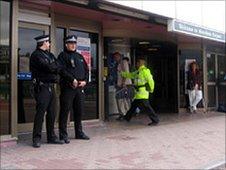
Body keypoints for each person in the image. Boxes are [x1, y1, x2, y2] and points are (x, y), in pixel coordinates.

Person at [30, 35, 66, 148]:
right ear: (43, 42)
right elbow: (47, 67)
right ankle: (36, 138)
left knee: (52, 113)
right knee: (40, 113)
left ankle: (51, 137)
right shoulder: (36, 55)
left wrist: (53, 67)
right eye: (48, 42)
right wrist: (53, 67)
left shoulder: (50, 55)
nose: (49, 43)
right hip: (42, 87)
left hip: (52, 87)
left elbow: (59, 66)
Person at [58, 35, 90, 144]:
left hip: (80, 88)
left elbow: (86, 70)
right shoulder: (62, 56)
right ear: (66, 44)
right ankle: (63, 135)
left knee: (79, 111)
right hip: (68, 88)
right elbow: (61, 71)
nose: (73, 45)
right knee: (65, 111)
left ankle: (79, 132)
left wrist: (85, 81)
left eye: (74, 43)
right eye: (71, 43)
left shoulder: (79, 56)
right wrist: (72, 80)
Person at [120, 57, 159, 126]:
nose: (136, 64)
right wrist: (122, 74)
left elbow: (150, 80)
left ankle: (155, 120)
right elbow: (131, 75)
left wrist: (151, 89)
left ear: (141, 63)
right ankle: (127, 117)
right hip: (138, 93)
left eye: (137, 63)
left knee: (147, 107)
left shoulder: (145, 71)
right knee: (133, 106)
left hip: (143, 93)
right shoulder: (138, 71)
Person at [113, 52, 132, 120]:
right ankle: (123, 114)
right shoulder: (118, 63)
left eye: (116, 57)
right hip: (120, 84)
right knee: (120, 100)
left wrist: (123, 83)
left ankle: (126, 114)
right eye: (114, 58)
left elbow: (126, 73)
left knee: (124, 100)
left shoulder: (124, 62)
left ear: (119, 56)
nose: (115, 59)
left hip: (124, 84)